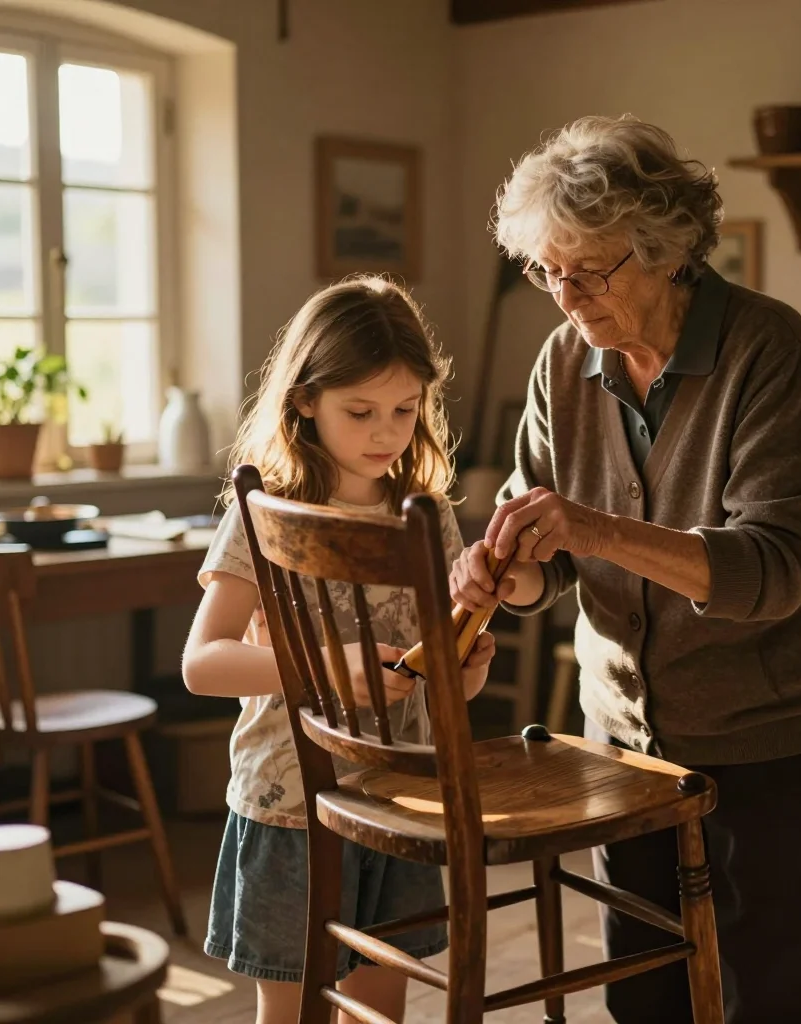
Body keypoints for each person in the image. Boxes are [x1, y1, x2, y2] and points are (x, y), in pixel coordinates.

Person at [449, 115, 801, 1023]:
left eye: (589, 270)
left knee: (771, 998)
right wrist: (502, 575)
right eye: (547, 270)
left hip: (777, 732)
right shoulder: (563, 361)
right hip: (626, 739)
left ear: (666, 248)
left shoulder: (768, 348)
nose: (565, 296)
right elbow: (545, 564)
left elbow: (777, 569)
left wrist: (588, 529)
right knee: (642, 998)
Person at [182, 277, 496, 1024]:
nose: (386, 432)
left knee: (378, 1009)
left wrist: (461, 674)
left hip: (398, 799)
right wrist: (331, 669)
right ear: (304, 401)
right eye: (359, 411)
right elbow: (203, 663)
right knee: (291, 1011)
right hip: (289, 804)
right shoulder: (267, 511)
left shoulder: (426, 513)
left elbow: (433, 685)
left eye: (405, 408)